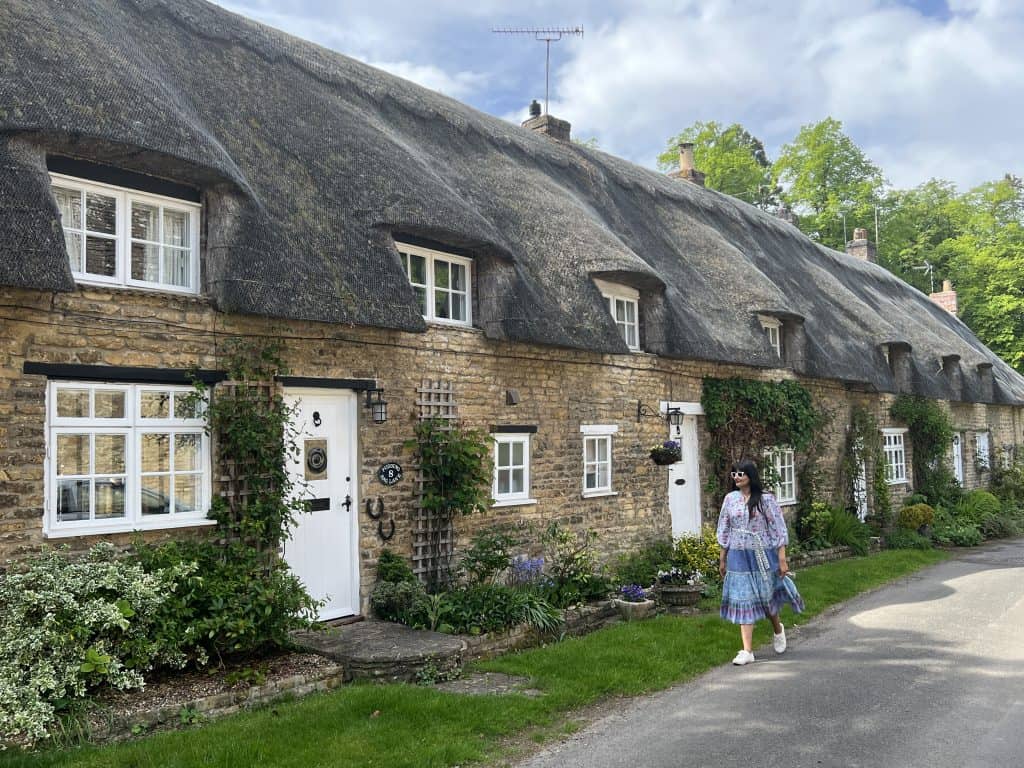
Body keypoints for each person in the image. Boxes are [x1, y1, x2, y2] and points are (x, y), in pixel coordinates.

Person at [716, 458, 804, 665]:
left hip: (762, 554)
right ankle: (747, 651)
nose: (736, 477)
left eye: (740, 474)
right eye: (734, 474)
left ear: (750, 476)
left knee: (766, 598)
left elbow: (778, 528)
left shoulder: (766, 500)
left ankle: (777, 628)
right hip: (738, 556)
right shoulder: (730, 499)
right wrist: (722, 558)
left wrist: (782, 559)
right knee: (744, 598)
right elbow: (724, 527)